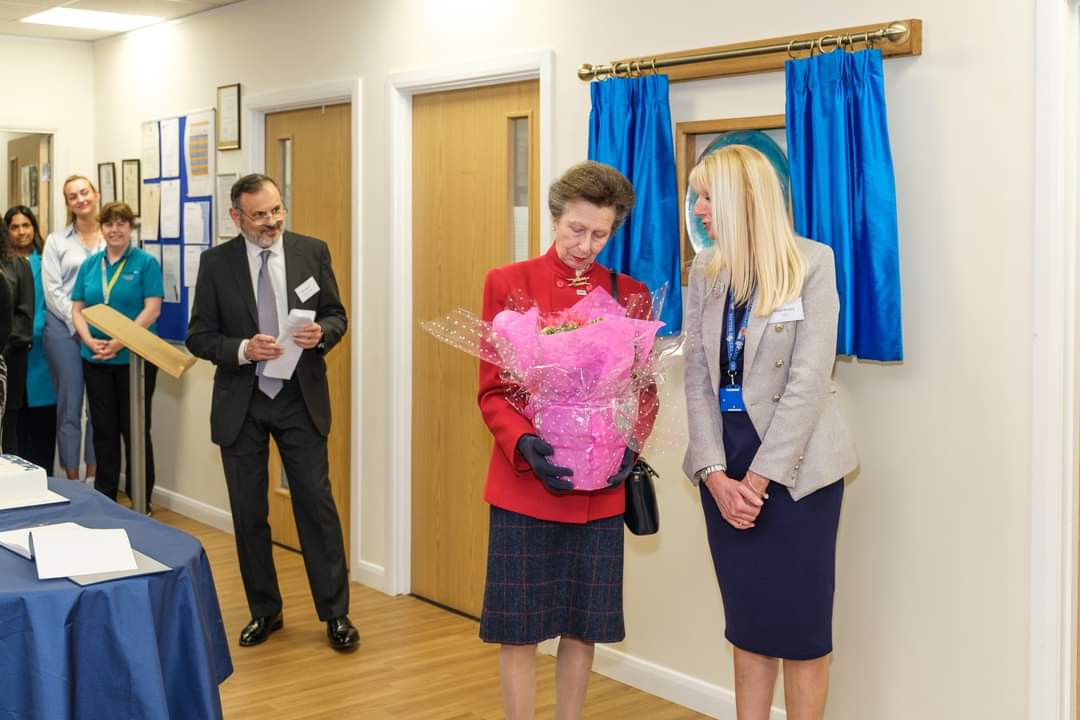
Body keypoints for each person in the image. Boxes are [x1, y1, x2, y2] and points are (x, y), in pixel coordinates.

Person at [682, 145, 858, 720]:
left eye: (707, 195)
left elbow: (808, 383)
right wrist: (713, 474)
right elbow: (698, 382)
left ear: (743, 198)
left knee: (803, 635)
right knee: (749, 626)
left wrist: (755, 482)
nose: (699, 208)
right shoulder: (704, 275)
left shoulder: (812, 264)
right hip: (724, 467)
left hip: (795, 471)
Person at [477, 161, 652, 720]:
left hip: (599, 490)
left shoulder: (631, 294)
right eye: (576, 229)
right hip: (528, 483)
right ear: (555, 218)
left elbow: (644, 391)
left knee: (583, 628)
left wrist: (633, 439)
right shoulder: (508, 283)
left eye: (600, 234)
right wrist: (523, 441)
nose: (586, 245)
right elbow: (493, 390)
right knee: (520, 629)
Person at [187, 173, 357, 652]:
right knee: (249, 513)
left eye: (277, 210)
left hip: (300, 400)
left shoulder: (311, 251)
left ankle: (336, 614)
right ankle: (266, 610)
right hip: (242, 404)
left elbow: (337, 314)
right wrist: (243, 348)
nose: (271, 222)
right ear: (236, 217)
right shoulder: (216, 264)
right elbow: (199, 336)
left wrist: (320, 333)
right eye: (259, 215)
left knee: (316, 508)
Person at [70, 202, 162, 510]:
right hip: (95, 358)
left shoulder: (146, 263)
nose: (115, 229)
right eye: (109, 224)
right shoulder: (90, 265)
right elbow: (77, 308)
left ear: (131, 228)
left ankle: (141, 502)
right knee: (103, 431)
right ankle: (105, 500)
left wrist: (120, 341)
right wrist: (88, 340)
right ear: (101, 227)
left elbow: (152, 308)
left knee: (135, 431)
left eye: (121, 223)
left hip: (134, 361)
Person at [41, 175, 100, 483]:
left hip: (104, 332)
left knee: (100, 407)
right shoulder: (56, 241)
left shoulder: (112, 237)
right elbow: (52, 290)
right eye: (72, 196)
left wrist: (97, 328)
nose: (80, 199)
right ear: (67, 204)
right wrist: (77, 323)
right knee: (70, 404)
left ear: (96, 194)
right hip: (64, 330)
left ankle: (94, 478)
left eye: (84, 192)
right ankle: (71, 479)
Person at [9, 207, 57, 471]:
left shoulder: (44, 261)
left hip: (41, 352)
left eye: (26, 225)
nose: (21, 232)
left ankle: (44, 478)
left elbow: (50, 301)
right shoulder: (6, 265)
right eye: (14, 227)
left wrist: (33, 328)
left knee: (41, 423)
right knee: (16, 424)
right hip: (11, 352)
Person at [0, 218, 34, 452]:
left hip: (11, 355)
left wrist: (5, 349)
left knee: (8, 424)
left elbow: (24, 314)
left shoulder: (18, 264)